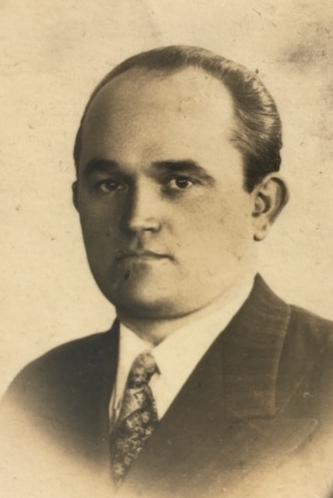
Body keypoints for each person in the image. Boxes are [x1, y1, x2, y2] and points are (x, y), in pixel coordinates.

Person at [1, 46, 333, 498]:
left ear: (262, 206)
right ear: (79, 201)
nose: (137, 218)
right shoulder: (38, 391)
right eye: (110, 185)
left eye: (180, 182)